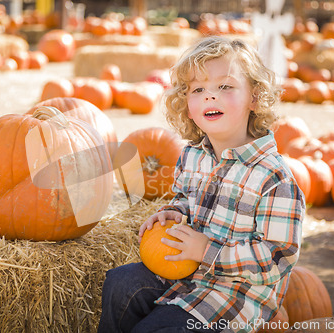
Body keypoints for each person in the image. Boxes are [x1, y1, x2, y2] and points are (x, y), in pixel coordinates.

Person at [98, 36, 305, 333]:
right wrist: (174, 212)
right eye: (198, 89)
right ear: (187, 104)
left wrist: (207, 251)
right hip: (185, 275)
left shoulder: (273, 178)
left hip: (234, 297)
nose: (210, 96)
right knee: (120, 284)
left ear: (255, 97)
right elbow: (187, 200)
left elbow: (275, 260)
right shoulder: (193, 155)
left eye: (224, 86)